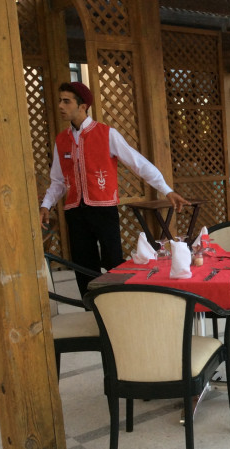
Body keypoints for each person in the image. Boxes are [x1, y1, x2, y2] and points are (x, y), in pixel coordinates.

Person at [40, 82, 189, 296]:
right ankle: (91, 307)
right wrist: (46, 205)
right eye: (60, 101)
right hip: (75, 212)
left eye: (66, 101)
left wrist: (166, 190)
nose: (60, 106)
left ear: (82, 106)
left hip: (103, 209)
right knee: (83, 265)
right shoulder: (61, 140)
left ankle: (117, 305)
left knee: (113, 262)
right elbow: (58, 180)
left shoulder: (107, 134)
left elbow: (138, 163)